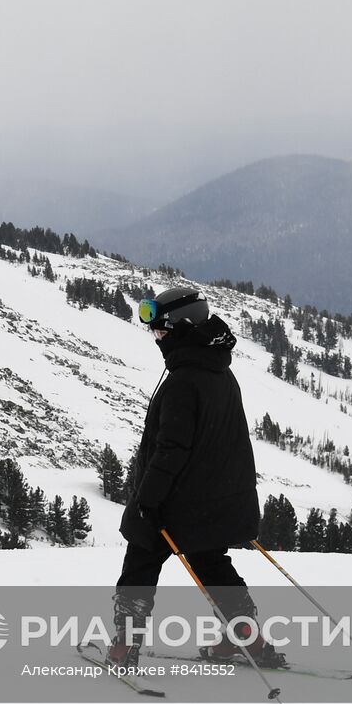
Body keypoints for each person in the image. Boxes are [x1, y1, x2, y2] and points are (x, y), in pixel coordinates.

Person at [109, 287, 286, 669]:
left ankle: (124, 647)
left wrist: (147, 501)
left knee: (141, 557)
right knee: (210, 562)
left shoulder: (183, 382)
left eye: (161, 331)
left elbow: (170, 450)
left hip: (178, 500)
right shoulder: (219, 371)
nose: (156, 338)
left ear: (182, 329)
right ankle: (248, 641)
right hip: (218, 497)